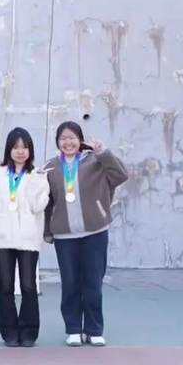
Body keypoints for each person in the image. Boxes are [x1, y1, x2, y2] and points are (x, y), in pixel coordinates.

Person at [44, 121, 128, 347]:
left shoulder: (95, 160)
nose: (68, 142)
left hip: (95, 232)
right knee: (70, 284)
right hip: (65, 236)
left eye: (72, 137)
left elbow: (121, 175)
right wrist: (47, 231)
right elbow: (47, 203)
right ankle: (73, 329)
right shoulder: (51, 167)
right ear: (57, 142)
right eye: (63, 138)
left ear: (80, 140)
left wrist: (103, 153)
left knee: (93, 282)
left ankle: (93, 329)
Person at [0, 127, 49, 347]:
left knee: (28, 285)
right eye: (16, 147)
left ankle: (29, 331)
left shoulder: (37, 175)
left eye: (25, 147)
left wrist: (37, 182)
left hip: (28, 238)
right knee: (5, 285)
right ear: (8, 149)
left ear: (30, 150)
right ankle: (8, 330)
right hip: (2, 237)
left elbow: (38, 206)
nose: (20, 151)